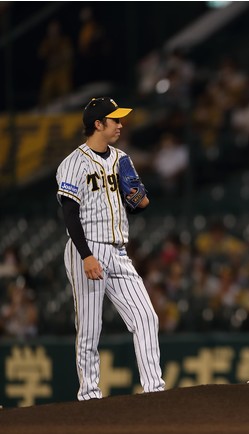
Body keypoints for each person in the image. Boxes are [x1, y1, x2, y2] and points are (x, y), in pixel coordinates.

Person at [55, 97, 165, 400]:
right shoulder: (73, 163)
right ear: (98, 125)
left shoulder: (120, 158)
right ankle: (89, 394)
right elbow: (69, 213)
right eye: (114, 120)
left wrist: (139, 201)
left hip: (118, 249)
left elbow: (136, 203)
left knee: (146, 318)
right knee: (90, 329)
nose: (120, 124)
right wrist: (86, 255)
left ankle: (154, 389)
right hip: (87, 247)